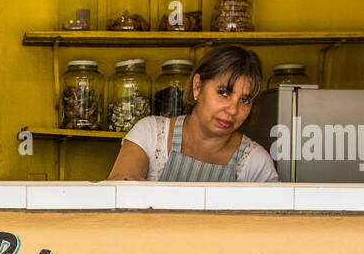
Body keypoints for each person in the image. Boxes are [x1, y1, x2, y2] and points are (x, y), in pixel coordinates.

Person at [107, 44, 278, 182]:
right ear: (198, 86)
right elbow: (118, 195)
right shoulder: (150, 133)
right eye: (223, 93)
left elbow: (275, 222)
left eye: (245, 100)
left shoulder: (256, 163)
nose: (233, 110)